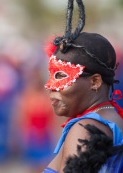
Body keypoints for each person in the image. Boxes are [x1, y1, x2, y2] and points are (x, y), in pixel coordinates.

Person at [42, 0, 123, 172]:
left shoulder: (85, 129)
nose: (50, 86)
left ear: (95, 81)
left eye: (60, 76)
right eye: (50, 75)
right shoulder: (113, 117)